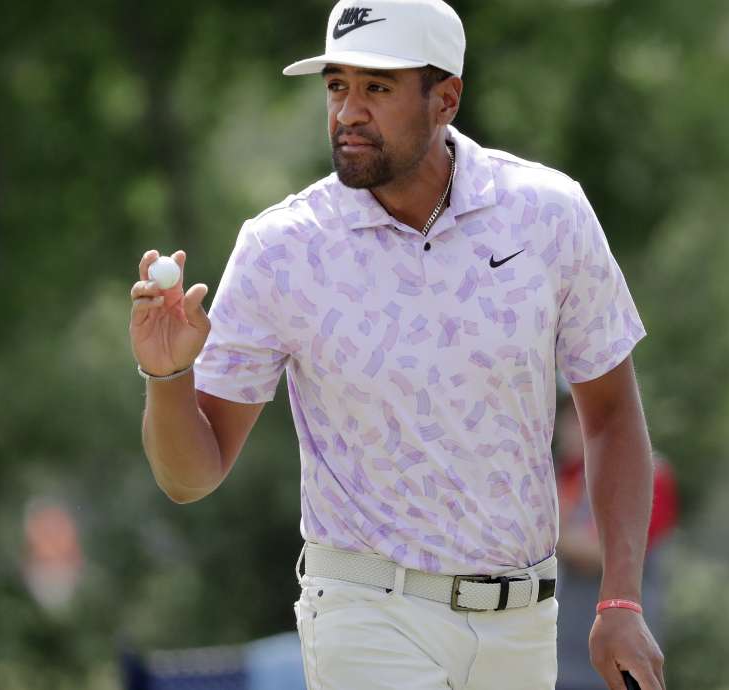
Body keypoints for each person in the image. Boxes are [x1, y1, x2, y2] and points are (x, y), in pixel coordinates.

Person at [128, 1, 664, 688]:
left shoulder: (548, 214)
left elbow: (612, 416)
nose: (348, 111)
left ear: (446, 99)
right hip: (365, 612)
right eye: (337, 86)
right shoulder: (281, 248)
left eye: (376, 88)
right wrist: (167, 376)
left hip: (523, 623)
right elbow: (189, 476)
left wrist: (620, 600)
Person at [553, 395, 678, 690]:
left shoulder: (648, 474)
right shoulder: (561, 474)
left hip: (621, 657)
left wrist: (548, 533)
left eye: (580, 415)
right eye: (570, 415)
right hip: (561, 658)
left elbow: (603, 554)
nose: (571, 427)